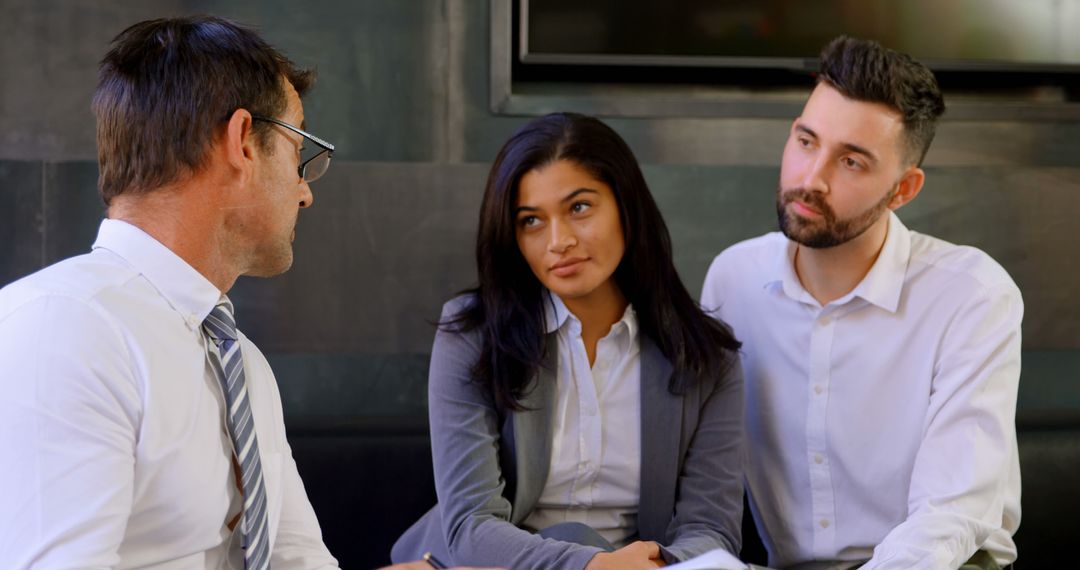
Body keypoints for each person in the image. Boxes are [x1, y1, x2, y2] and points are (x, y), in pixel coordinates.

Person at [0, 15, 491, 570]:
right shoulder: (62, 328)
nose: (305, 192)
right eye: (298, 149)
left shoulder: (242, 365)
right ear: (242, 142)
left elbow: (296, 560)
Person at [701, 37, 1021, 570]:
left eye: (851, 161)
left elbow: (950, 514)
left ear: (903, 189)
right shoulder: (733, 280)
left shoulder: (972, 295)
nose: (810, 179)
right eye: (806, 141)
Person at [392, 112, 745, 570]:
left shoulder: (706, 357)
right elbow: (471, 525)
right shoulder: (473, 335)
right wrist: (593, 564)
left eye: (579, 207)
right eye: (531, 221)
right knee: (572, 536)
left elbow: (711, 531)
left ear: (625, 205)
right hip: (487, 565)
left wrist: (648, 565)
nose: (558, 241)